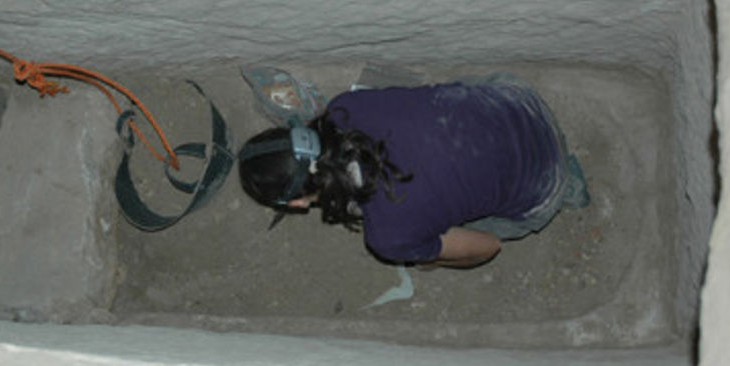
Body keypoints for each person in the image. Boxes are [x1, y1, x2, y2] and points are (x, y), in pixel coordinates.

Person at [237, 73, 590, 268]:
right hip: (518, 98)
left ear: (296, 204)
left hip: (545, 182)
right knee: (447, 108)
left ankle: (566, 189)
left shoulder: (389, 236)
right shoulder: (347, 106)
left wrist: (430, 257)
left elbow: (488, 247)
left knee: (457, 229)